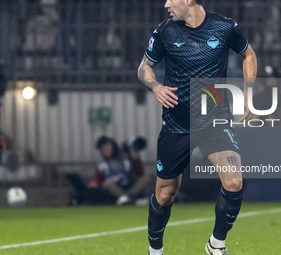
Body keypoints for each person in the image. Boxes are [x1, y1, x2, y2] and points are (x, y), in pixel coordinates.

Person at [137, 1, 257, 255]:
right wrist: (156, 86)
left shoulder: (224, 27)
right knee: (165, 194)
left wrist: (248, 93)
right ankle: (154, 250)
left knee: (234, 182)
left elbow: (248, 54)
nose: (166, 4)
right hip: (176, 124)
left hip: (214, 122)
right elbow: (144, 68)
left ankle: (216, 244)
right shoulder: (164, 31)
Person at [89, 135, 150, 205]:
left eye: (106, 148)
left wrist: (136, 159)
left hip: (129, 184)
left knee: (145, 177)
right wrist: (95, 183)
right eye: (102, 149)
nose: (105, 151)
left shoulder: (125, 155)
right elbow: (99, 178)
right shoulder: (101, 162)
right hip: (115, 188)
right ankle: (128, 199)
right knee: (107, 184)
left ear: (111, 145)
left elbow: (140, 173)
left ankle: (127, 198)